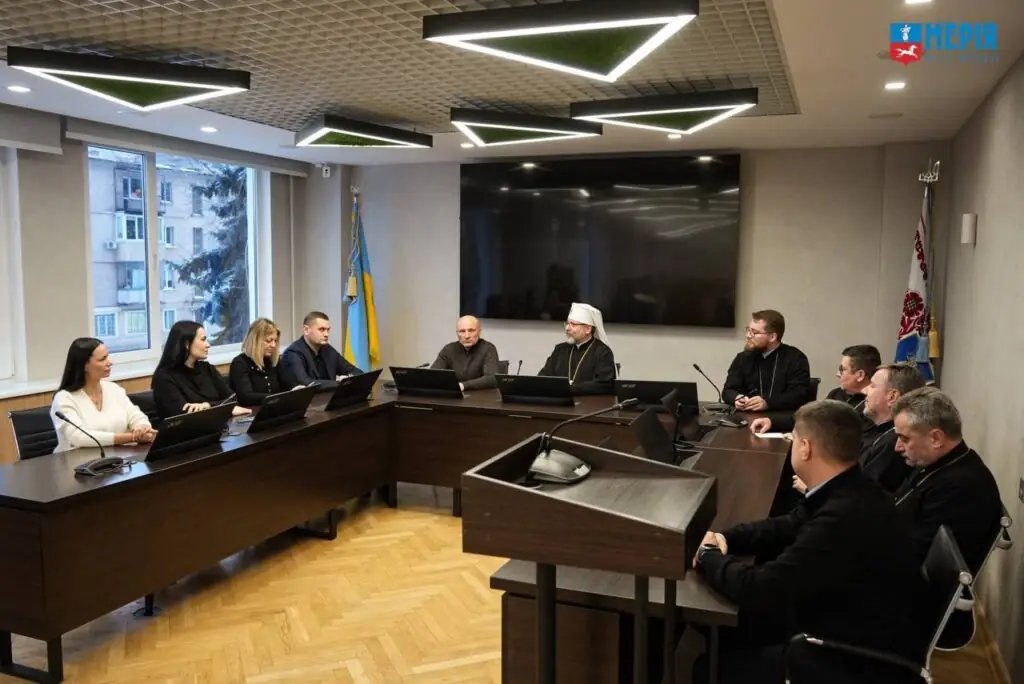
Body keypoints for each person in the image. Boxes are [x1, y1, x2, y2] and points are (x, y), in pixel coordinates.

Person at [692, 400, 921, 684]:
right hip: (838, 616)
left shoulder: (844, 516)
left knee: (706, 667)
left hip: (845, 653)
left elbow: (761, 588)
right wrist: (726, 536)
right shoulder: (851, 487)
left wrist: (708, 554)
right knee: (715, 626)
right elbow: (787, 525)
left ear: (805, 447)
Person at [891, 387, 1003, 574]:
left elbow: (913, 557)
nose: (898, 447)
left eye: (904, 439)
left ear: (936, 438)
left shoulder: (961, 489)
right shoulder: (937, 463)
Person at [50, 337, 156, 453]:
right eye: (102, 359)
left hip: (117, 457)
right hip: (77, 461)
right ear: (84, 365)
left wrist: (142, 427)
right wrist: (131, 437)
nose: (110, 363)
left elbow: (135, 415)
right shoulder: (64, 398)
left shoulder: (113, 389)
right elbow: (78, 437)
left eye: (107, 357)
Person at [749, 344, 880, 434]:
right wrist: (772, 422)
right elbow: (811, 417)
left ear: (860, 375)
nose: (837, 374)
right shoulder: (837, 394)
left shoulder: (871, 407)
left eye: (842, 370)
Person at [151, 321, 251, 419]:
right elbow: (181, 414)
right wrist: (217, 407)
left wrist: (207, 406)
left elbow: (232, 400)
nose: (208, 345)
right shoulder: (164, 377)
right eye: (203, 340)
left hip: (217, 425)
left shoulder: (208, 368)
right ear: (187, 344)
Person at [722, 310, 812, 412]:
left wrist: (768, 403)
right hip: (747, 417)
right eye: (748, 330)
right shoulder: (743, 358)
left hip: (782, 418)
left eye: (754, 332)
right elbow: (728, 390)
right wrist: (736, 398)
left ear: (772, 337)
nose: (748, 335)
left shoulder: (795, 358)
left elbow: (799, 395)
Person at [538, 302, 616, 395]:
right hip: (559, 401)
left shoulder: (602, 352)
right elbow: (543, 377)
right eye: (567, 323)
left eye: (573, 324)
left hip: (589, 403)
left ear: (588, 329)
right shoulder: (560, 349)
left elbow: (603, 385)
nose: (567, 328)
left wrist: (570, 389)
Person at [279, 311, 362, 392]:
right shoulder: (292, 353)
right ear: (306, 330)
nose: (326, 334)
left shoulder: (327, 349)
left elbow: (356, 372)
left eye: (328, 330)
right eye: (321, 329)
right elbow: (307, 384)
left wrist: (348, 378)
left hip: (329, 397)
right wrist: (341, 383)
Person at [230, 318, 303, 408]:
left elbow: (287, 383)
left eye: (275, 341)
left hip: (275, 408)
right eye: (268, 341)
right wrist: (279, 397)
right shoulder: (240, 363)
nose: (273, 345)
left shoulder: (273, 361)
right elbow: (246, 397)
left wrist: (295, 388)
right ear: (255, 341)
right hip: (252, 411)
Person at [430, 315, 501, 391]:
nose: (467, 336)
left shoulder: (488, 348)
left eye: (471, 330)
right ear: (457, 333)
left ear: (479, 332)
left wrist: (463, 385)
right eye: (462, 331)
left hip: (480, 395)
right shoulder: (449, 349)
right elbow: (433, 375)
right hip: (454, 395)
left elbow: (492, 378)